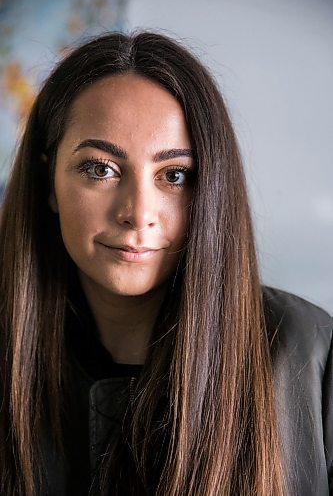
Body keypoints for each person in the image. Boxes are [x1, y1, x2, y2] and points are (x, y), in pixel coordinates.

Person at [0, 31, 331, 496]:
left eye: (174, 175)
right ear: (48, 184)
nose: (138, 212)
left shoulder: (312, 352)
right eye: (100, 169)